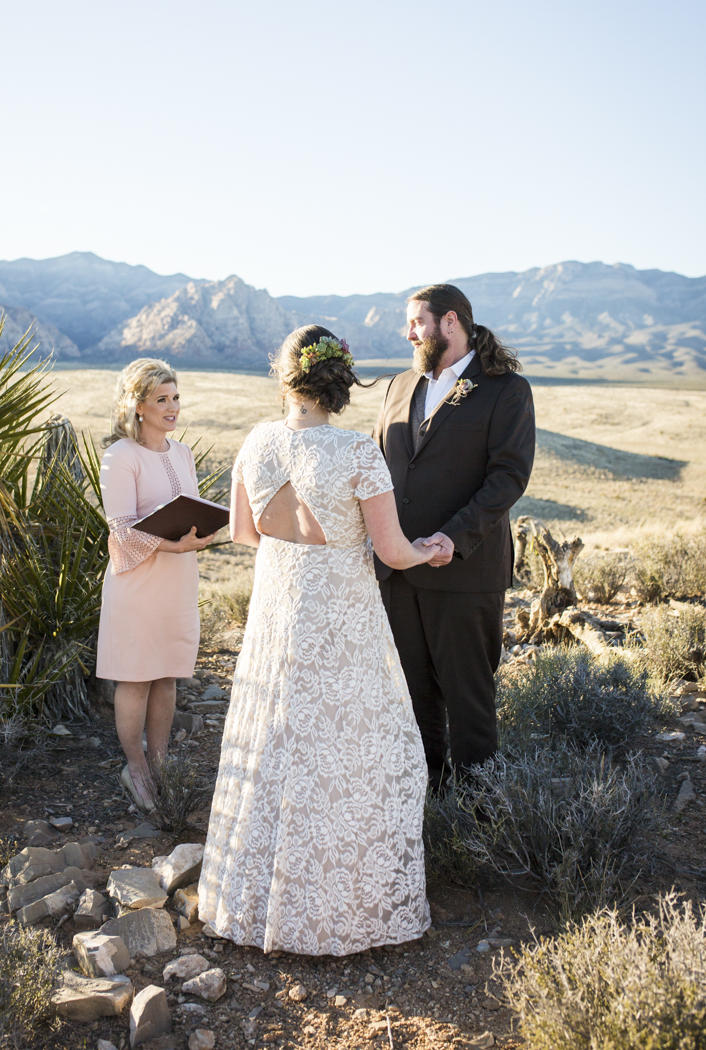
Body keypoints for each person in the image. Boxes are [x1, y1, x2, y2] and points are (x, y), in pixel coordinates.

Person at [198, 326, 446, 956]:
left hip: (278, 608)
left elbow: (244, 534)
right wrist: (432, 551)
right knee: (351, 742)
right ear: (340, 383)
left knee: (275, 737)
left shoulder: (257, 442)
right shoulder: (360, 454)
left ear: (286, 378)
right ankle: (340, 907)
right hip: (341, 613)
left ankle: (254, 902)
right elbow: (391, 549)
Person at [373, 284, 536, 789]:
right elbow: (381, 468)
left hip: (463, 570)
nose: (408, 333)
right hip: (400, 572)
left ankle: (479, 821)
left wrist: (452, 536)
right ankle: (425, 804)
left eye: (416, 323)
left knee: (469, 703)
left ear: (449, 322)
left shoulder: (504, 389)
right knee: (413, 697)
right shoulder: (399, 385)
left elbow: (508, 477)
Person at [96, 358, 214, 812]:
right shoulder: (120, 456)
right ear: (138, 406)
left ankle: (161, 763)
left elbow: (190, 512)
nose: (172, 407)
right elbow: (121, 531)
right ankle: (136, 769)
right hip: (137, 585)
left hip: (178, 583)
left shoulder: (182, 454)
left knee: (167, 675)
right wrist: (174, 545)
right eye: (161, 399)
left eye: (176, 397)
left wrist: (200, 534)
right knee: (137, 678)